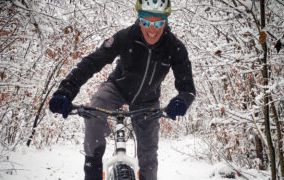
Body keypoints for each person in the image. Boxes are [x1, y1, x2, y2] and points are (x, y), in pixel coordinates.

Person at [48, 0, 196, 179]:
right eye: (146, 22)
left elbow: (187, 87)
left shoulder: (175, 47)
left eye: (158, 23)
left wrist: (181, 101)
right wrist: (65, 92)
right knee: (96, 108)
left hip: (148, 100)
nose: (152, 29)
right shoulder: (126, 37)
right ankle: (92, 169)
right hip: (116, 88)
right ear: (139, 19)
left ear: (165, 22)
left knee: (149, 159)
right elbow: (93, 62)